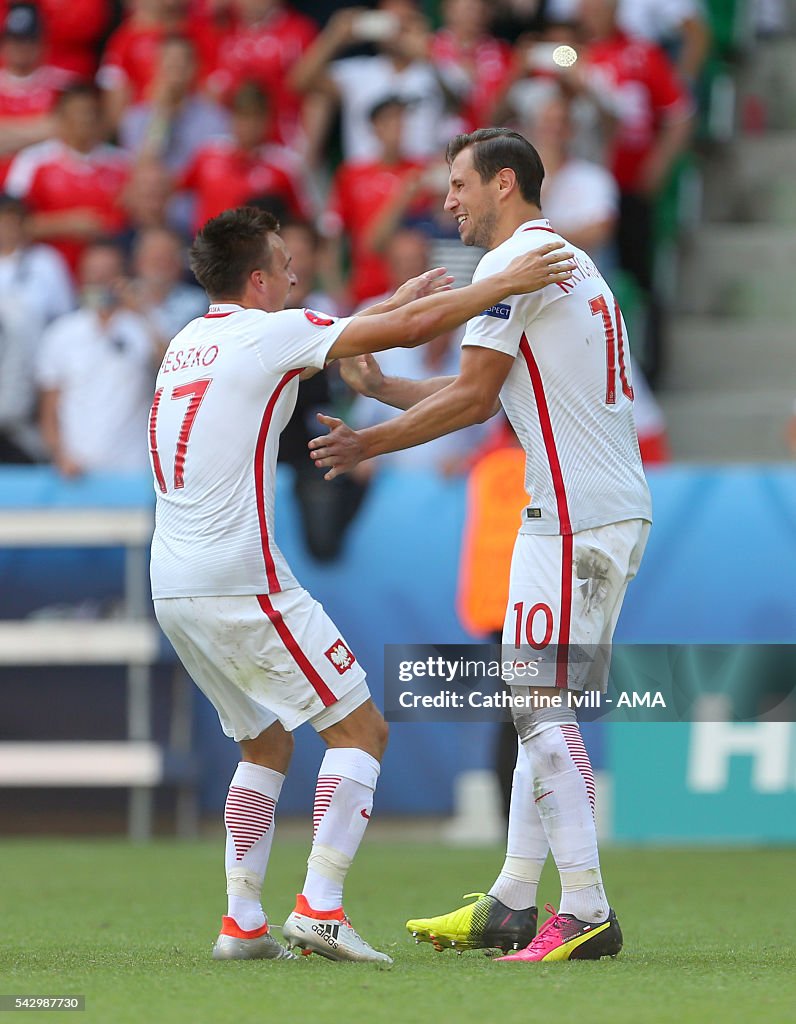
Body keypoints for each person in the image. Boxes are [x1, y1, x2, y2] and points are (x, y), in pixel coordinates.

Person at [147, 204, 573, 963]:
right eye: (284, 262)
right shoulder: (267, 332)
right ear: (256, 279)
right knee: (361, 730)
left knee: (264, 741)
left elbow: (335, 334)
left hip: (172, 581)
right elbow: (394, 337)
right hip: (240, 577)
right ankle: (322, 906)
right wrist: (502, 283)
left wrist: (389, 304)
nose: (295, 271)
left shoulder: (191, 340)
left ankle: (242, 922)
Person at [308, 128, 652, 962]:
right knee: (536, 706)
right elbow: (489, 391)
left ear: (505, 183)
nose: (447, 201)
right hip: (592, 511)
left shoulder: (518, 265)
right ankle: (512, 899)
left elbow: (468, 402)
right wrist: (386, 391)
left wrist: (368, 443)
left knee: (538, 707)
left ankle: (587, 908)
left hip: (573, 518)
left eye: (458, 184)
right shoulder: (549, 263)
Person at [37, 240, 159, 476]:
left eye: (108, 275)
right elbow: (49, 407)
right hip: (77, 472)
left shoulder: (143, 326)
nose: (100, 282)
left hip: (135, 469)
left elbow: (169, 366)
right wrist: (60, 455)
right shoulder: (61, 333)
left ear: (123, 277)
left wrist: (141, 311)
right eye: (93, 275)